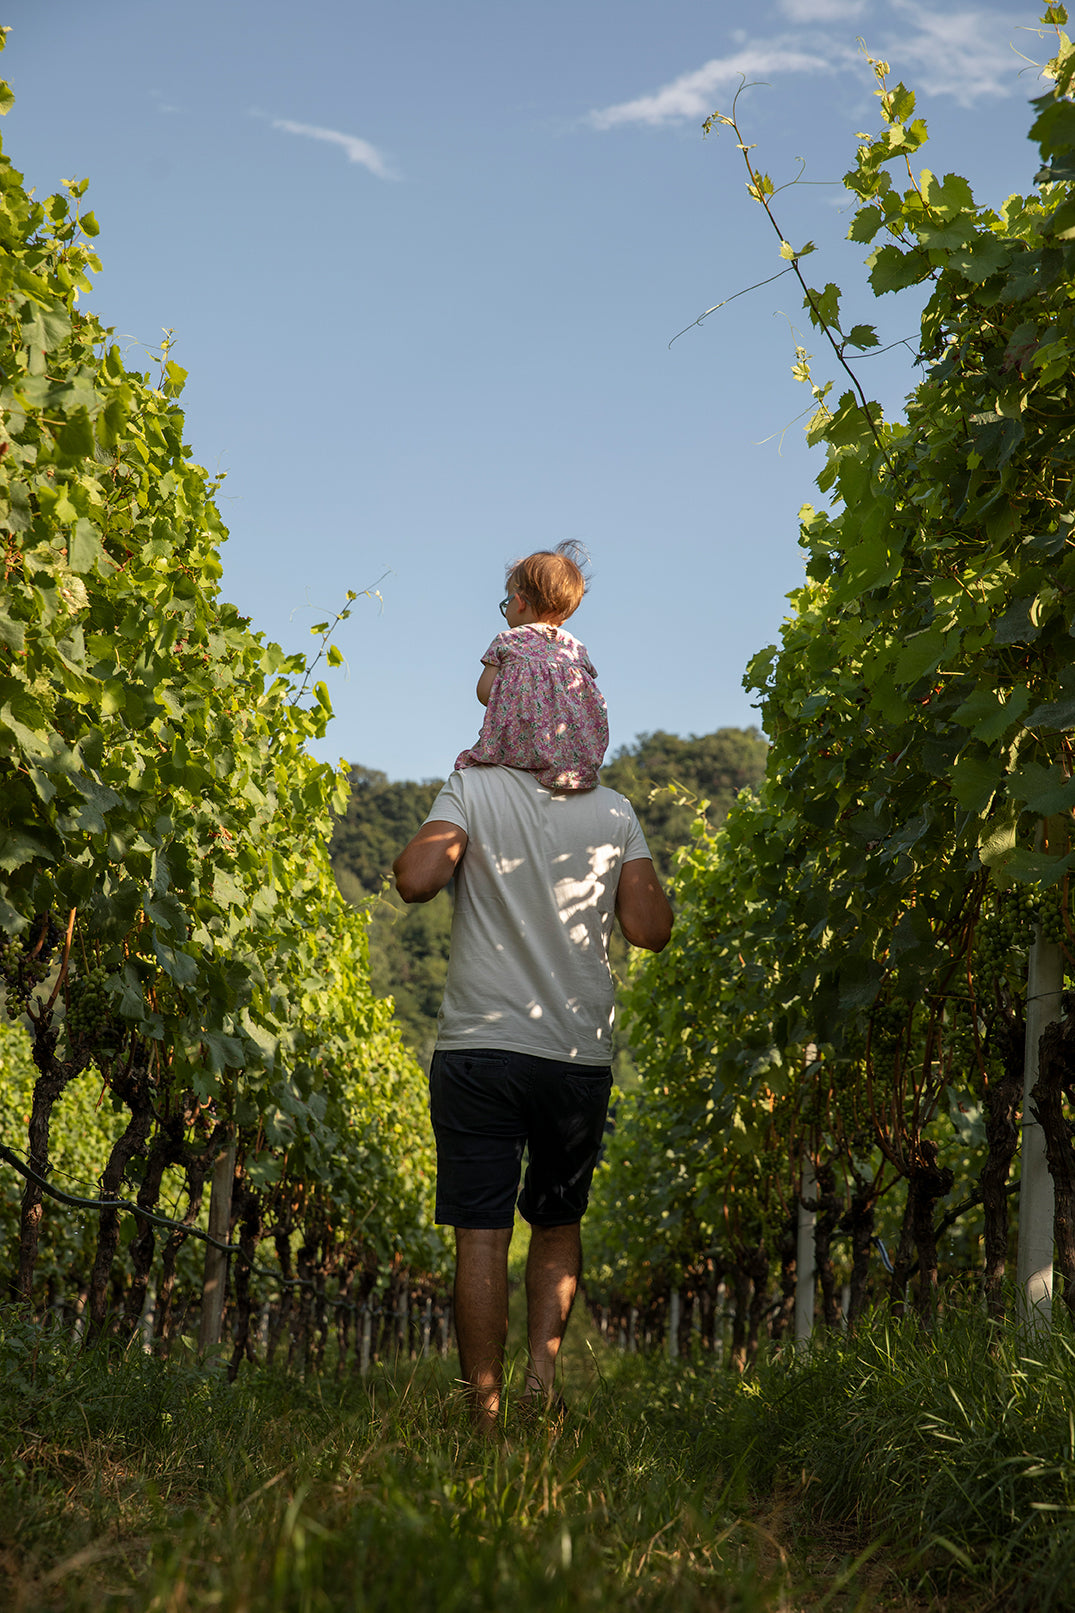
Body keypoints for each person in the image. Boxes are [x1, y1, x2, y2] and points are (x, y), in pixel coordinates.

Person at [393, 718, 673, 1439]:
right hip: (574, 1054)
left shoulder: (472, 789)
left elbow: (415, 880)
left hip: (480, 1048)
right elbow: (650, 929)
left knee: (481, 1235)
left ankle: (483, 1418)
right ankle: (538, 1389)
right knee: (556, 1222)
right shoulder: (614, 810)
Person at [454, 541, 609, 793]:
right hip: (572, 758)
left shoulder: (507, 640)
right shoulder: (576, 649)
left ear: (519, 602)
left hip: (516, 753)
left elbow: (485, 693)